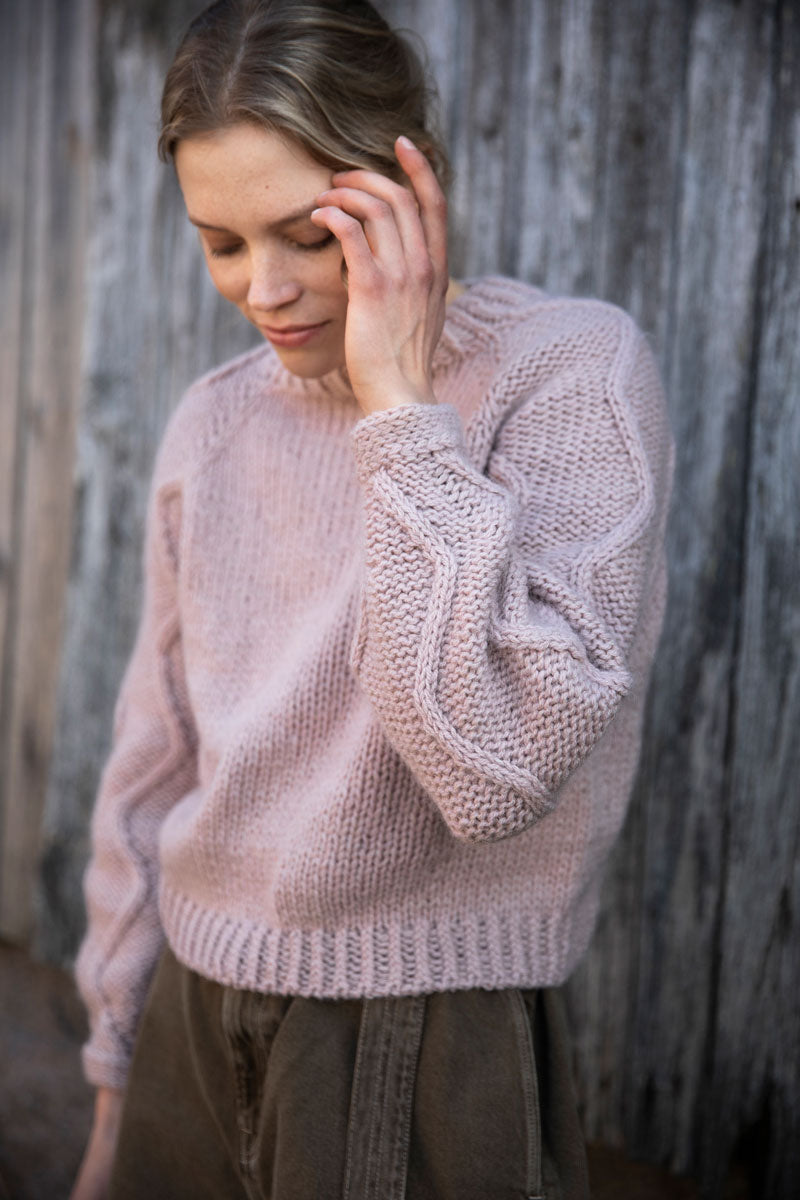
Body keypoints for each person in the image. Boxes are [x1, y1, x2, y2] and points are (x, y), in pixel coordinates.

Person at [70, 0, 674, 1197]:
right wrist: (111, 1083)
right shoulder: (214, 420)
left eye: (309, 232)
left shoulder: (571, 374)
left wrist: (398, 411)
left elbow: (491, 769)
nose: (267, 289)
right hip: (189, 1022)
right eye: (223, 242)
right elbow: (156, 760)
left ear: (413, 182)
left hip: (416, 1031)